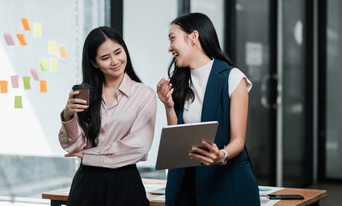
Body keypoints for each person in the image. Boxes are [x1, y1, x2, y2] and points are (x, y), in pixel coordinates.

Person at [157, 13, 260, 206]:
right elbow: (177, 138)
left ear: (194, 37)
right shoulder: (179, 81)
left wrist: (221, 155)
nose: (170, 48)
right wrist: (168, 106)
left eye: (173, 39)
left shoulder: (232, 77)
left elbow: (238, 140)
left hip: (223, 178)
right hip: (185, 180)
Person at [59, 26, 157, 206]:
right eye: (105, 58)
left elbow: (138, 147)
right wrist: (68, 115)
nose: (115, 61)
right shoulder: (85, 94)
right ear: (94, 63)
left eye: (118, 52)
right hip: (87, 184)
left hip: (125, 183)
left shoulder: (145, 95)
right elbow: (74, 146)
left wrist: (91, 156)